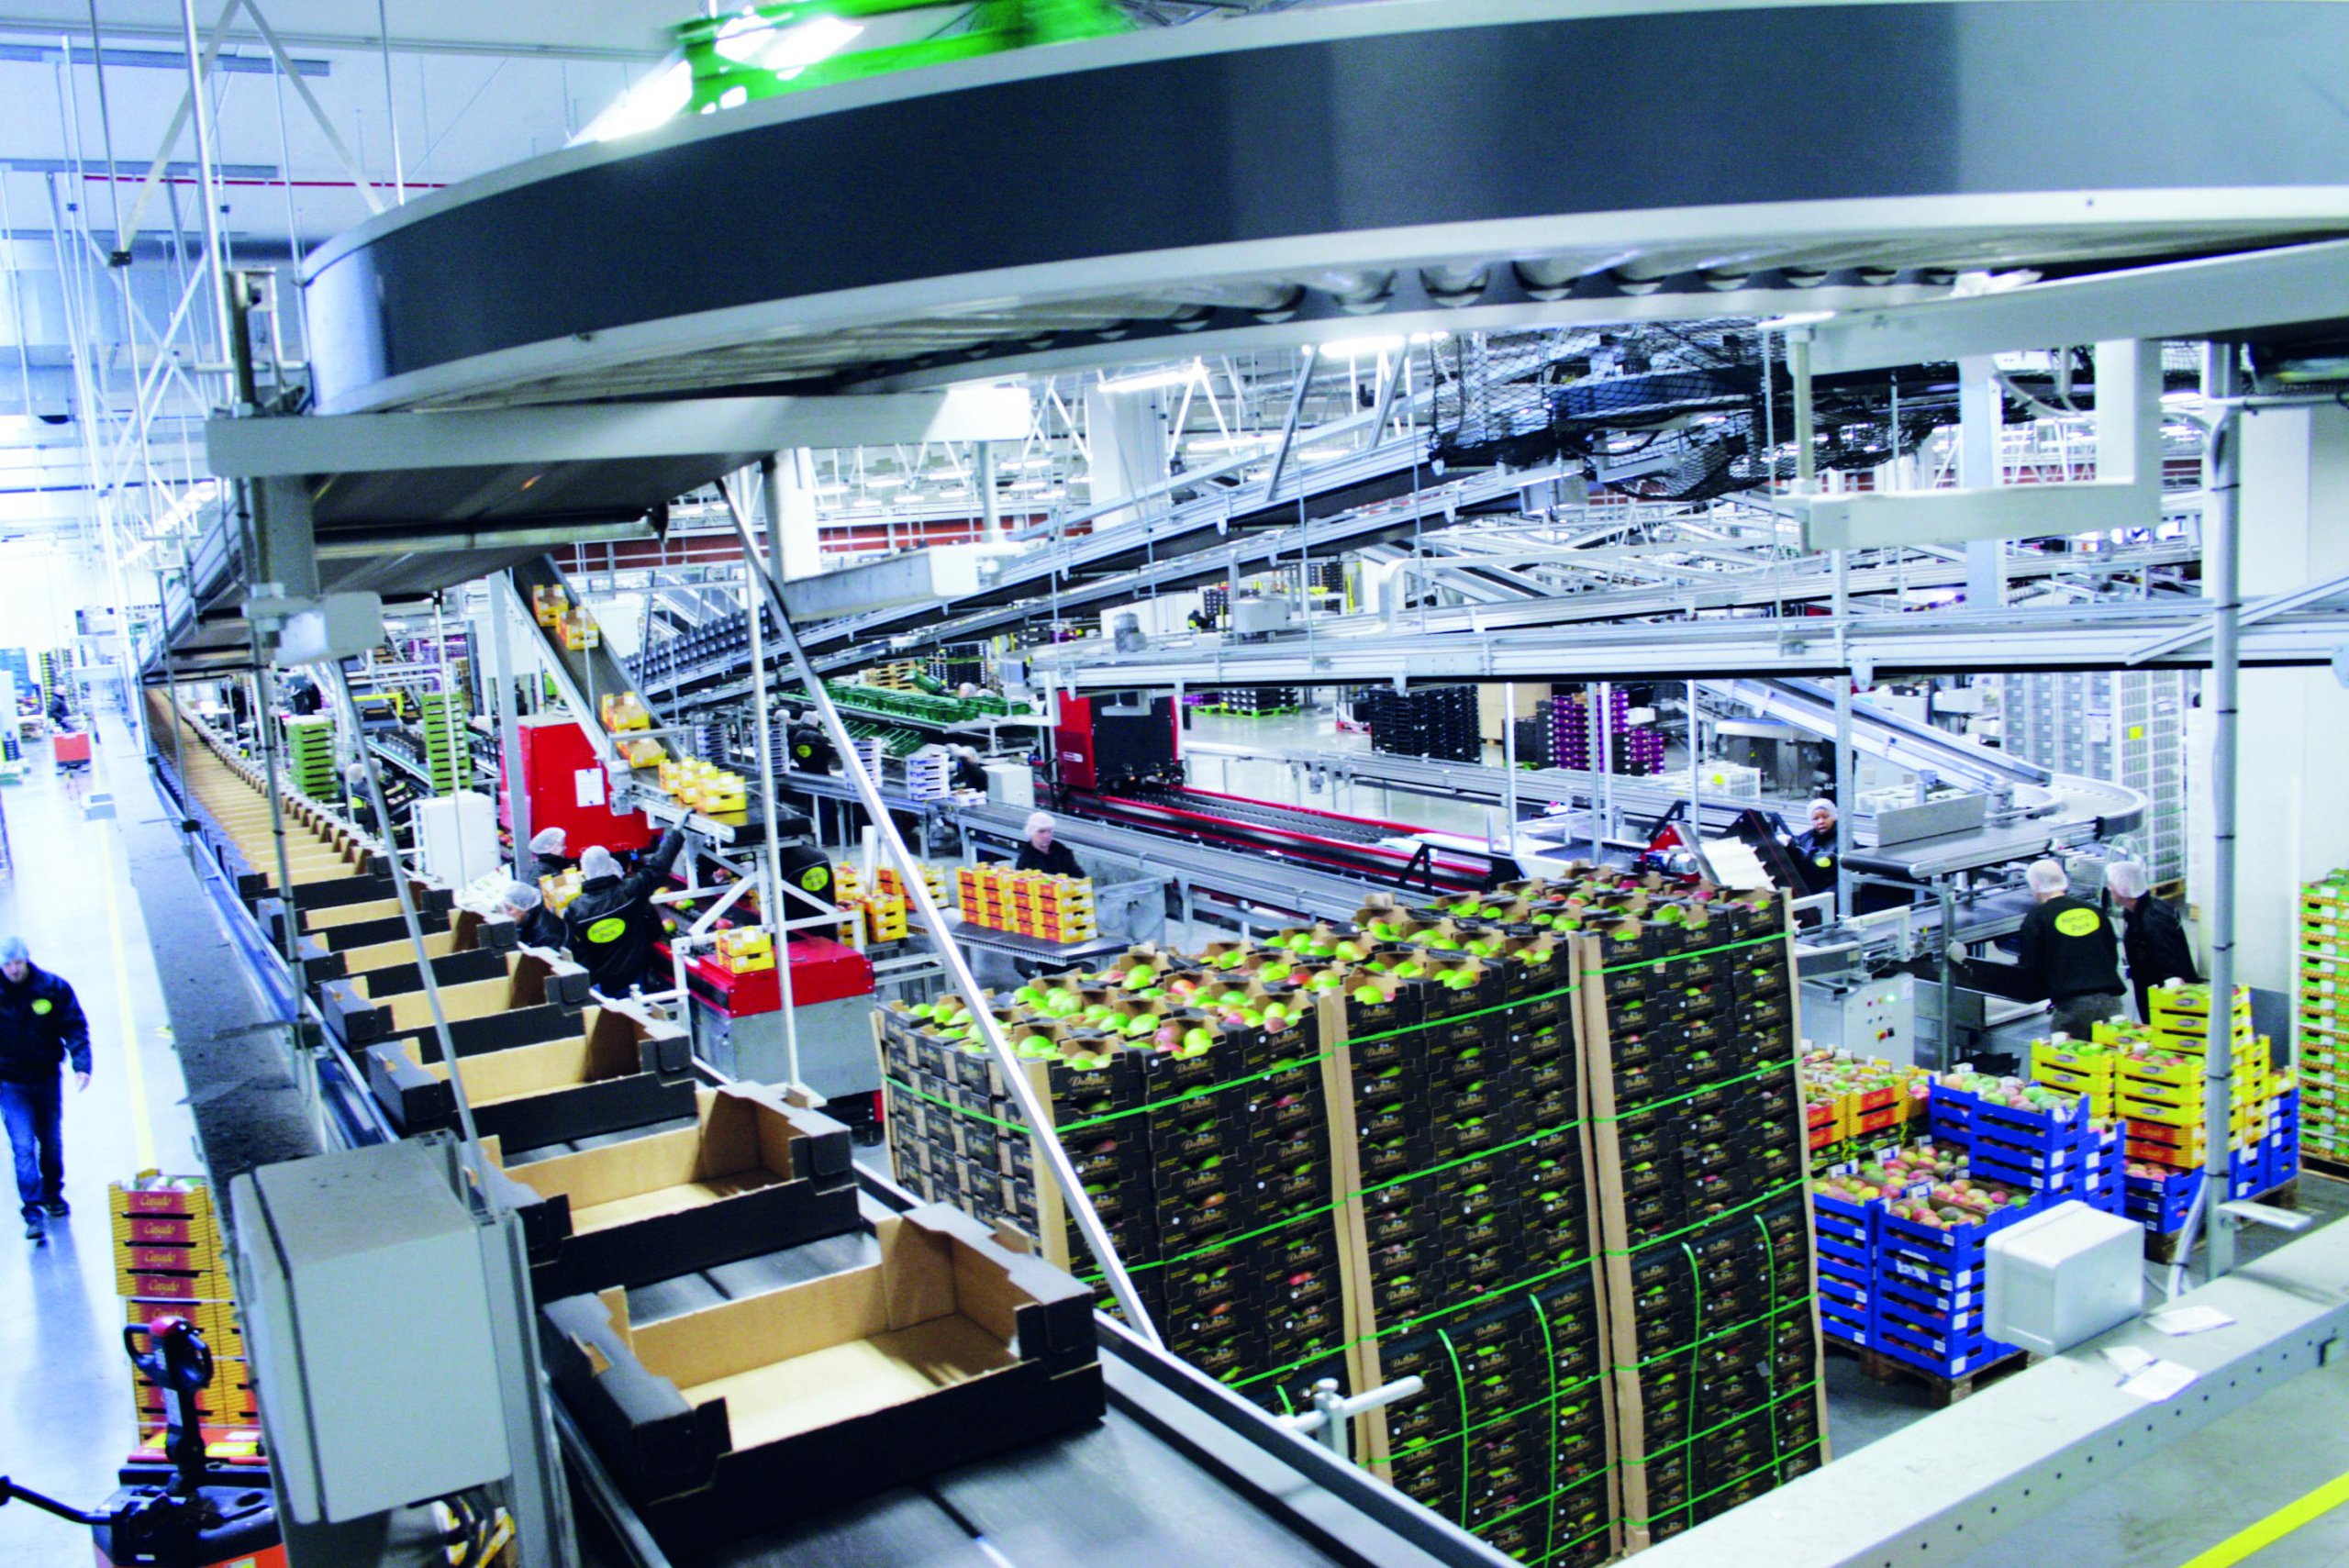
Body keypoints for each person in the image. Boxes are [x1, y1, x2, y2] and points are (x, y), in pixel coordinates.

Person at [1951, 859, 2125, 1038]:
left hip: (2074, 1007)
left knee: (2070, 1054)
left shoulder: (2037, 918)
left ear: (2034, 886)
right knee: (2111, 1052)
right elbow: (2111, 953)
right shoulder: (2093, 911)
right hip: (2112, 1001)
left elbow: (2032, 968)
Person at [0, 937, 90, 1241]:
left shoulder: (52, 988)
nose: (14, 969)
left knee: (50, 1141)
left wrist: (82, 1064)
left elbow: (74, 1026)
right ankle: (32, 1211)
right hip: (10, 1084)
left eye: (18, 962)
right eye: (8, 964)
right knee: (23, 1146)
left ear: (26, 960)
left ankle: (52, 1192)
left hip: (46, 1079)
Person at [562, 831, 685, 995]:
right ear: (610, 865)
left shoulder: (575, 908)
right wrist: (676, 833)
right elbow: (658, 866)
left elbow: (572, 949)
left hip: (602, 982)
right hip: (633, 976)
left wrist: (592, 978)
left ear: (584, 871)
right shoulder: (629, 891)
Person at [2107, 860, 2199, 1023]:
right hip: (2147, 988)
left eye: (2112, 884)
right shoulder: (2134, 914)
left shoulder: (2154, 919)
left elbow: (2171, 963)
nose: (2109, 888)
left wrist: (2170, 1003)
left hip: (2164, 997)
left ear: (2124, 887)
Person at [1785, 799, 1840, 897]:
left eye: (1825, 817)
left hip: (1828, 897)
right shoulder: (1804, 839)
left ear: (1833, 817)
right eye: (1815, 818)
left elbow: (1846, 880)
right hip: (1805, 893)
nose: (1821, 821)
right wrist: (1786, 845)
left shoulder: (1843, 843)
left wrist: (1827, 897)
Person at [501, 882, 569, 953]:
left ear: (525, 908)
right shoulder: (529, 920)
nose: (506, 913)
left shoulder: (547, 935)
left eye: (509, 909)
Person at [1014, 811, 1084, 879]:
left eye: (1049, 831)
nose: (1046, 836)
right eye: (1041, 831)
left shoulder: (1062, 851)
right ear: (1031, 833)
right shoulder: (1025, 861)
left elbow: (1079, 876)